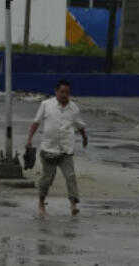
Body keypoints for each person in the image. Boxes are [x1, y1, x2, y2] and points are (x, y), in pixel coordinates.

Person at [25, 79, 88, 218]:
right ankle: (41, 203)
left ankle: (73, 204)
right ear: (56, 92)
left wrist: (84, 137)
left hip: (66, 149)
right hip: (49, 149)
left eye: (67, 92)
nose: (64, 95)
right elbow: (36, 122)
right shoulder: (46, 105)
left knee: (70, 176)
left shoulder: (73, 108)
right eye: (62, 92)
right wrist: (29, 139)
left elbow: (80, 125)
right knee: (47, 180)